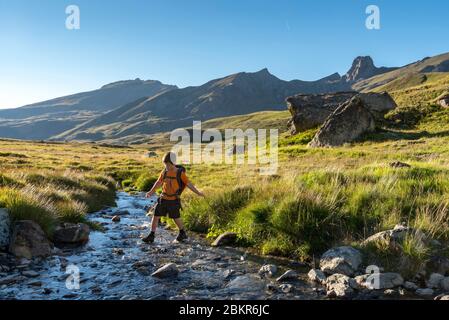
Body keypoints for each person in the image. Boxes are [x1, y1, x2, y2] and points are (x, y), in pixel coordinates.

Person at [142, 152, 205, 243]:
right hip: (163, 198)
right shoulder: (164, 172)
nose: (166, 166)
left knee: (176, 217)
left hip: (173, 200)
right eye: (165, 164)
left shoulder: (180, 173)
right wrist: (151, 191)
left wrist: (198, 193)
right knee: (155, 216)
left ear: (173, 163)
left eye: (168, 164)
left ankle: (182, 232)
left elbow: (189, 184)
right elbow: (158, 182)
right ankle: (151, 235)